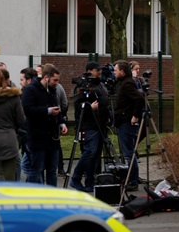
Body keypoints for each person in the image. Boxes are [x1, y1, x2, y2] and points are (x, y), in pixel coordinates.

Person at [21, 63, 68, 186]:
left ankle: (51, 196)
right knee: (36, 169)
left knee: (52, 170)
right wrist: (47, 111)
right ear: (46, 78)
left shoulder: (52, 90)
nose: (57, 83)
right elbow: (27, 109)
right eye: (55, 80)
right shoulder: (31, 90)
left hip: (52, 138)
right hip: (38, 137)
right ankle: (34, 194)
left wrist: (61, 123)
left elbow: (57, 108)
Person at [69, 62, 111, 192]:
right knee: (90, 151)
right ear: (89, 71)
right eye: (96, 70)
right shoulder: (83, 86)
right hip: (89, 125)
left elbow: (105, 102)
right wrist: (89, 108)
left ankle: (89, 181)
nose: (99, 72)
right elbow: (78, 107)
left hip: (100, 124)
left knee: (96, 154)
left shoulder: (100, 85)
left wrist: (109, 116)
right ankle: (75, 178)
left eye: (99, 70)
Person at [113, 60, 144, 191]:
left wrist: (135, 115)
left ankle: (132, 180)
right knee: (129, 152)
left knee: (129, 153)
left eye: (116, 70)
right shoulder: (123, 83)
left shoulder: (127, 84)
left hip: (126, 122)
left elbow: (139, 99)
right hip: (123, 120)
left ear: (122, 72)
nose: (114, 73)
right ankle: (131, 178)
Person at [18, 68, 38, 180]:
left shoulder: (27, 94)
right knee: (29, 164)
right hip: (28, 134)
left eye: (22, 79)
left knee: (29, 165)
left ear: (29, 80)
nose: (20, 82)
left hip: (29, 134)